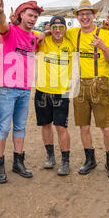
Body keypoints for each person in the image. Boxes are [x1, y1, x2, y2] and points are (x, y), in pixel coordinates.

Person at [0, 0, 45, 184]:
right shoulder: (9, 31)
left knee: (20, 127)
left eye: (35, 16)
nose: (32, 19)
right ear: (20, 15)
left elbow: (41, 37)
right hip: (7, 89)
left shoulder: (33, 37)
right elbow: (2, 25)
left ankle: (18, 162)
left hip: (25, 89)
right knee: (4, 127)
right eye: (29, 15)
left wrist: (48, 32)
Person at [64, 0, 109, 179]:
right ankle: (90, 159)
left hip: (99, 83)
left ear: (93, 15)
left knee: (105, 127)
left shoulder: (105, 33)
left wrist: (102, 46)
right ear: (78, 17)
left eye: (88, 13)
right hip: (79, 84)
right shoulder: (72, 33)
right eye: (81, 14)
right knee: (83, 127)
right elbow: (54, 32)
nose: (85, 17)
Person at [35, 16, 74, 176]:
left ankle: (65, 160)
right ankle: (50, 156)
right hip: (43, 90)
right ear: (50, 28)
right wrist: (44, 33)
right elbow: (30, 36)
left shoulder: (71, 42)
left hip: (62, 91)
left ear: (65, 28)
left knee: (61, 127)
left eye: (61, 27)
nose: (57, 31)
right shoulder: (43, 41)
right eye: (54, 27)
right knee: (45, 125)